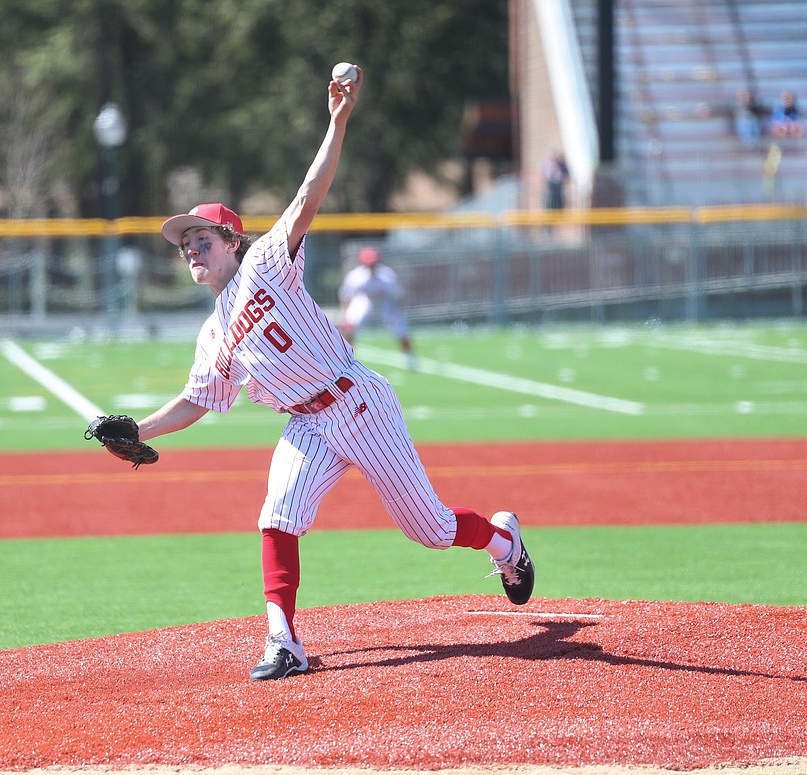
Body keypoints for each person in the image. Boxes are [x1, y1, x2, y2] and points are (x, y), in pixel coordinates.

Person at [130, 65, 535, 682]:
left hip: (358, 404)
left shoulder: (266, 260)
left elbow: (308, 196)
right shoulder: (212, 334)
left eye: (200, 236)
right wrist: (137, 432)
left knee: (429, 529)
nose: (189, 246)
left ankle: (502, 539)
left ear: (232, 240)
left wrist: (337, 121)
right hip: (307, 427)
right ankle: (283, 640)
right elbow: (195, 402)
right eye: (183, 241)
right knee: (277, 512)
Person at [338, 246, 417, 369]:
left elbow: (397, 296)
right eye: (368, 264)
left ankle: (409, 357)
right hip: (363, 300)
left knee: (400, 327)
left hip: (385, 301)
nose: (371, 267)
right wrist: (345, 315)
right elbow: (345, 297)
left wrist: (397, 314)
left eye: (373, 264)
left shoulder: (387, 275)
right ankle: (347, 359)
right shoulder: (355, 276)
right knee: (349, 326)